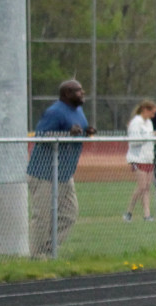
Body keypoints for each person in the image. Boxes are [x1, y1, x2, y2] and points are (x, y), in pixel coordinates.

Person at [26, 79, 97, 257]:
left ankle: (48, 250)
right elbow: (41, 137)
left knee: (69, 215)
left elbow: (77, 131)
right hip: (45, 173)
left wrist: (87, 131)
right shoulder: (54, 112)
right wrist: (66, 134)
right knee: (43, 217)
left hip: (65, 174)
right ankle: (37, 256)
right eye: (78, 91)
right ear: (67, 94)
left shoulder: (79, 111)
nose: (82, 93)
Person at [124, 100, 156, 222]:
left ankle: (144, 214)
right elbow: (134, 141)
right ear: (145, 110)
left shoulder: (149, 123)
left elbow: (150, 139)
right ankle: (133, 212)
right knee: (142, 186)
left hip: (148, 157)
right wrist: (149, 136)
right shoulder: (136, 123)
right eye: (152, 112)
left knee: (146, 186)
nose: (153, 115)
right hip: (137, 157)